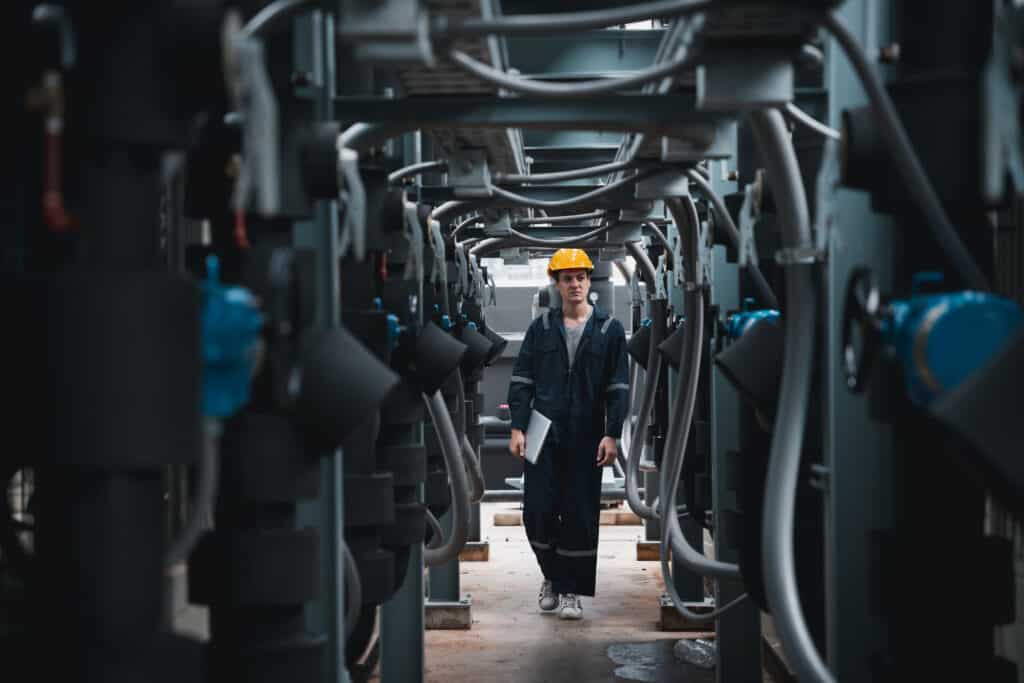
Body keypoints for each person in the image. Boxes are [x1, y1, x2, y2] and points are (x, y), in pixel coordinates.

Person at [506, 248, 629, 620]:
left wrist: (612, 434)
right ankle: (553, 576)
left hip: (587, 431)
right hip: (543, 430)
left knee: (579, 512)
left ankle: (570, 591)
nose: (574, 284)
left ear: (589, 281)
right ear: (556, 284)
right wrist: (517, 426)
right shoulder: (540, 328)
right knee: (538, 513)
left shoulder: (609, 329)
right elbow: (522, 379)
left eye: (580, 277)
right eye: (567, 279)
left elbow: (618, 387)